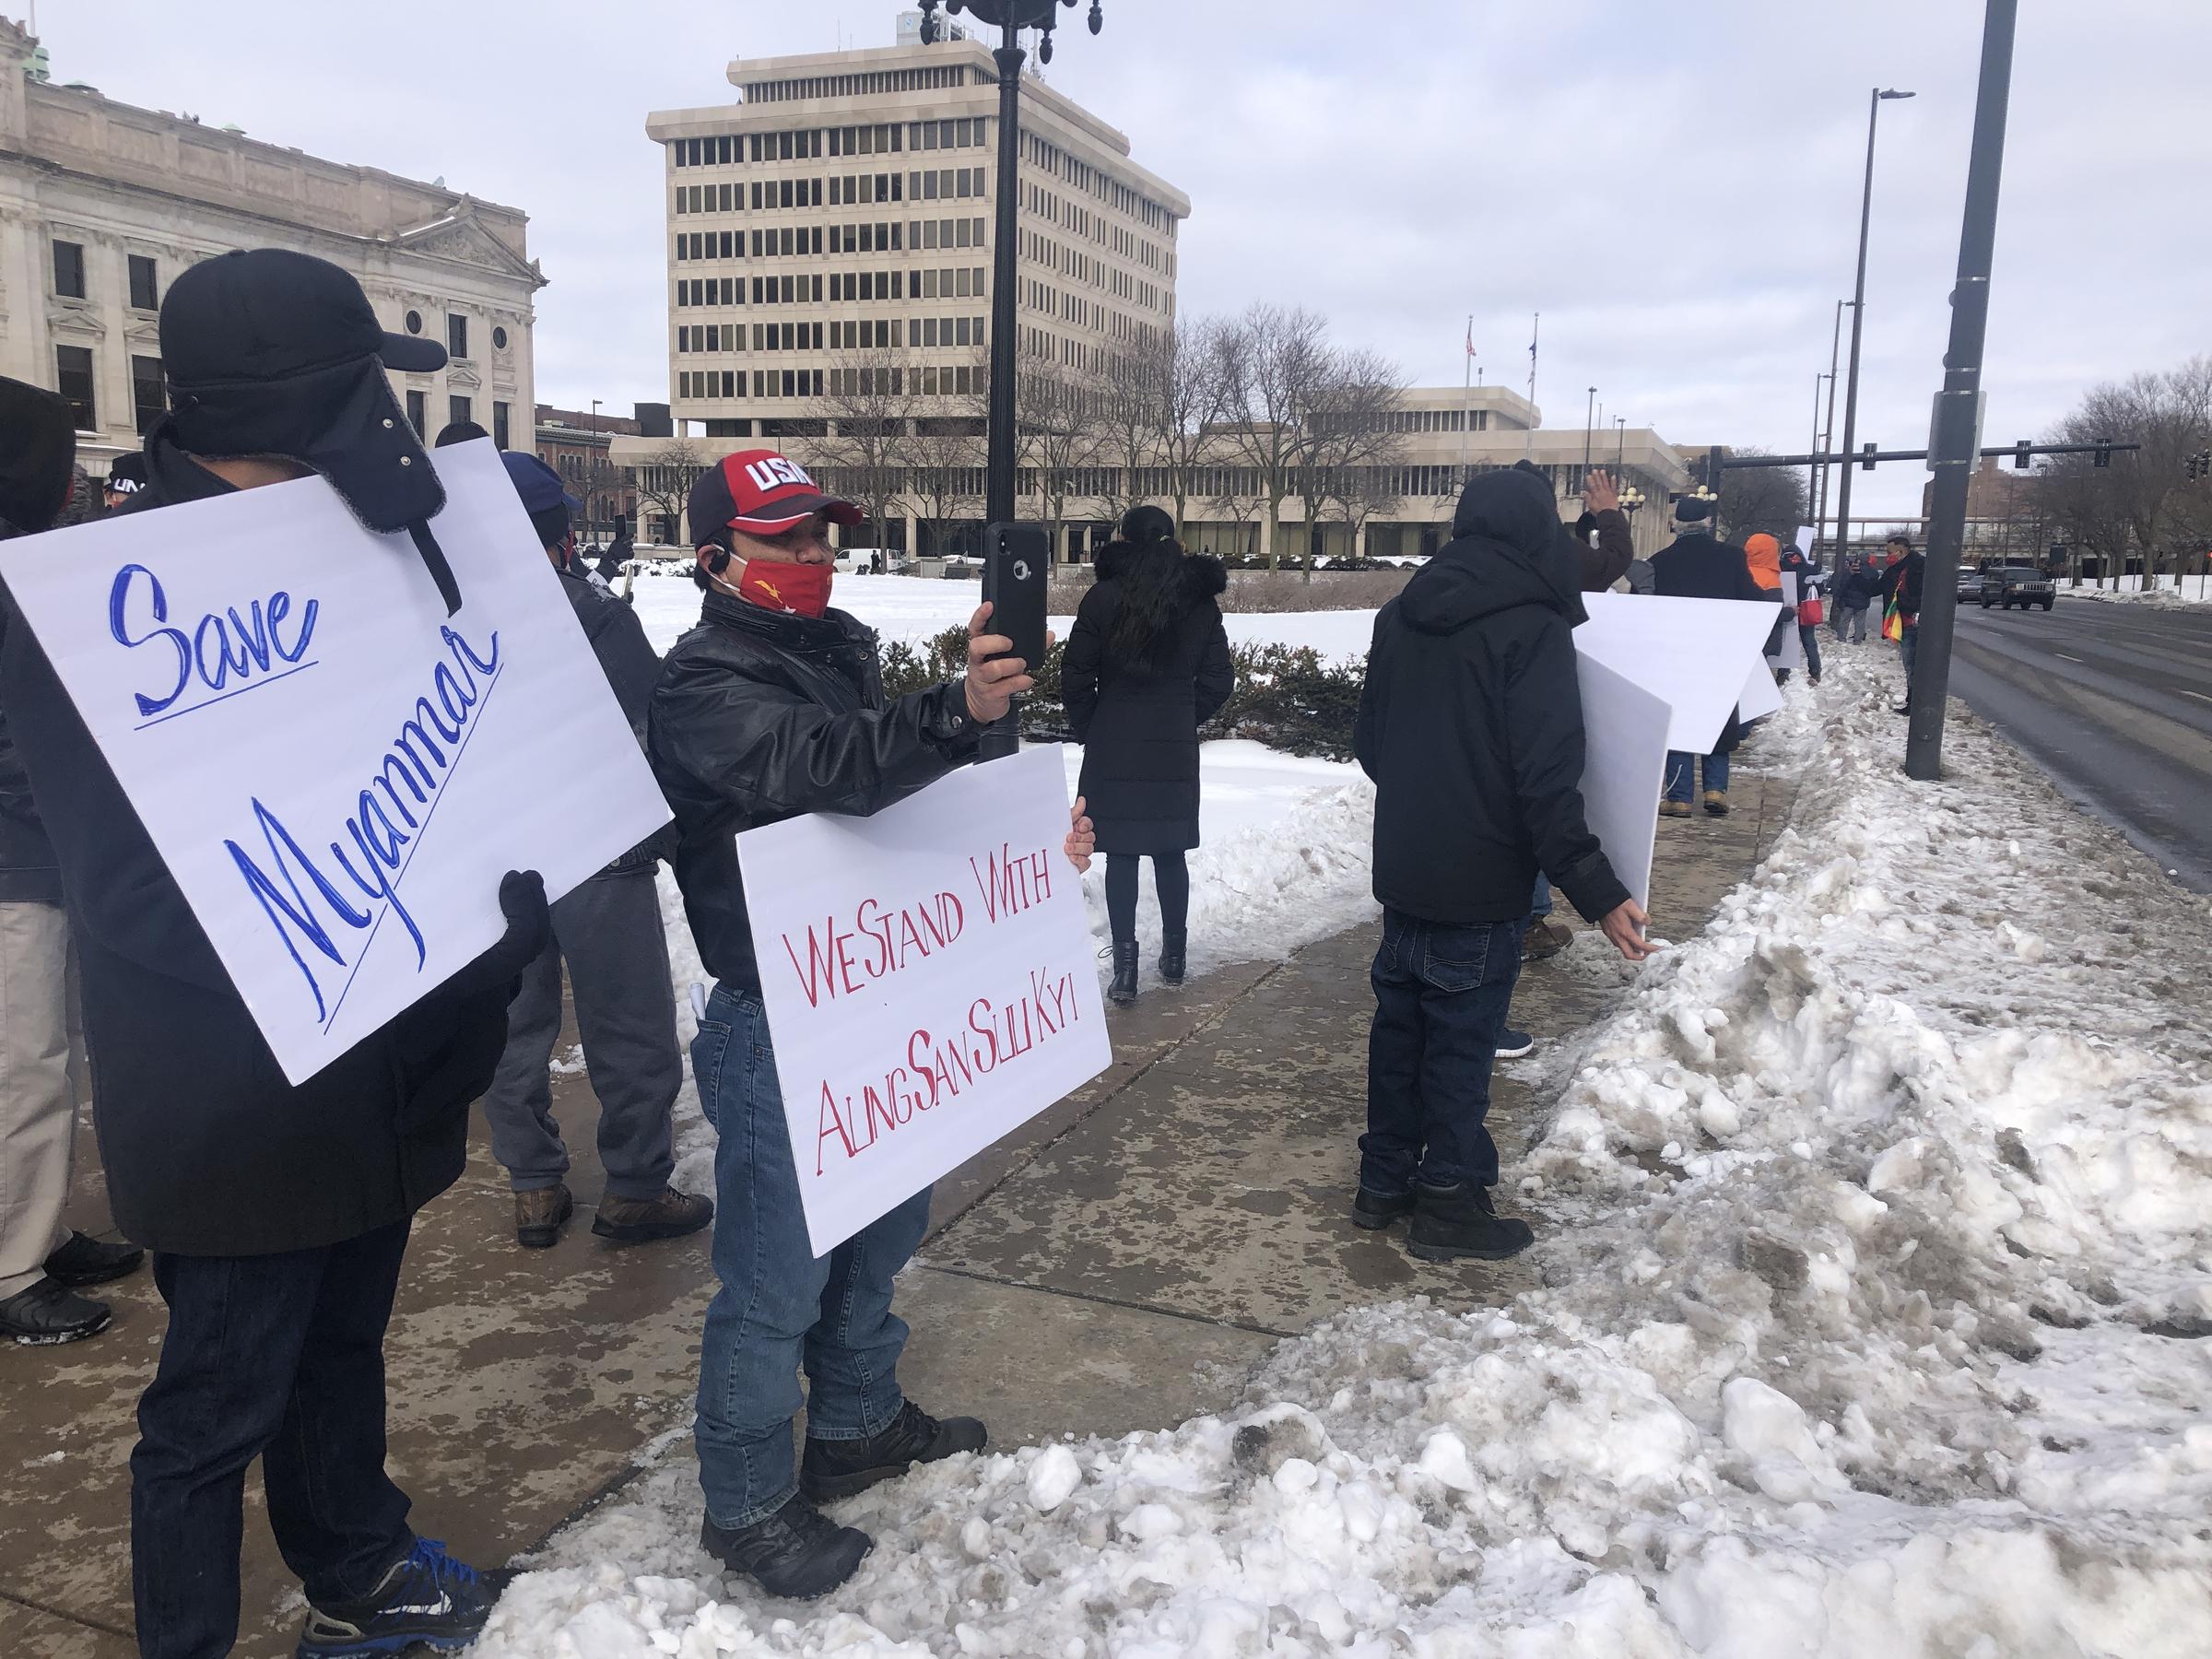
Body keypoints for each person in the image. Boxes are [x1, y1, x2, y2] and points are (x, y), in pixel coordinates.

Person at [0, 249, 548, 1659]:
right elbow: (128, 890)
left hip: (383, 1064)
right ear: (317, 399)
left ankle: (355, 1564)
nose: (390, 412)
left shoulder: (375, 552)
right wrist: (355, 935)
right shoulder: (99, 598)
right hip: (237, 1088)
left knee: (343, 1348)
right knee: (210, 1408)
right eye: (368, 380)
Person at [649, 449, 1092, 1599]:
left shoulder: (831, 655)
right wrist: (950, 707)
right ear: (716, 561)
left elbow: (901, 804)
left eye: (822, 536)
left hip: (875, 1006)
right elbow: (825, 771)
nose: (816, 557)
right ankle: (745, 1503)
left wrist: (1023, 835)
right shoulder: (703, 686)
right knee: (776, 1281)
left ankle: (853, 1424)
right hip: (779, 1024)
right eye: (785, 540)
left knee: (881, 1237)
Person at [1351, 467, 1654, 1263]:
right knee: (1457, 1045)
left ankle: (1383, 1183)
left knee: (1400, 1032)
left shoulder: (1399, 616)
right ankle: (1448, 1200)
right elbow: (1546, 780)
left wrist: (1428, 800)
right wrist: (1599, 891)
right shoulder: (1532, 629)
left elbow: (1370, 745)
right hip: (1482, 880)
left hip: (1407, 869)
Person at [479, 453, 708, 1251]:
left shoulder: (441, 617)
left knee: (514, 1029)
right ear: (562, 536)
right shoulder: (595, 615)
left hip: (493, 862)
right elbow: (652, 732)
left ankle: (534, 1186)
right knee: (630, 1026)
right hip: (597, 850)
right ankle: (636, 1189)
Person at [0, 378, 146, 1347]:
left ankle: (36, 1231)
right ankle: (11, 1268)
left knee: (53, 1056)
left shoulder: (28, 564)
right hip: (15, 857)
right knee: (25, 1063)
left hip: (47, 850)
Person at [1062, 504, 1233, 1006]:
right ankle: (1175, 960)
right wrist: (1182, 714)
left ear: (1124, 540)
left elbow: (1075, 674)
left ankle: (1125, 972)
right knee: (1170, 850)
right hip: (1173, 745)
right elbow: (1219, 680)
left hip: (1112, 743)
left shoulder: (1102, 597)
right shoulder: (1200, 603)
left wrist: (1094, 725)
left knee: (1120, 853)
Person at [1650, 496, 1780, 818]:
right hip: (1720, 653)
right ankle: (1715, 790)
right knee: (1719, 717)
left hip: (1675, 653)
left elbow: (1643, 608)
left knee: (1678, 721)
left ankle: (1679, 796)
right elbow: (1752, 600)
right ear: (1708, 523)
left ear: (1676, 525)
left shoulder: (1659, 561)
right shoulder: (1732, 558)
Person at [1879, 534, 1926, 714]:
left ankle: (1914, 704)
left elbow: (1920, 595)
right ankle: (1912, 701)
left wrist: (1902, 603)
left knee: (1913, 665)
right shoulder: (1894, 570)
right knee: (1909, 665)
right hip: (1901, 623)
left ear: (1901, 550)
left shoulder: (1919, 566)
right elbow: (1876, 588)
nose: (1888, 556)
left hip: (1912, 622)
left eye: (1890, 552)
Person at [1780, 541, 1824, 687]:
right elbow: (1821, 591)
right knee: (1809, 642)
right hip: (1806, 610)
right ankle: (1815, 672)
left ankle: (1783, 673)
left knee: (1785, 642)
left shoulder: (1780, 568)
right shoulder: (1810, 570)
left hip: (1787, 610)